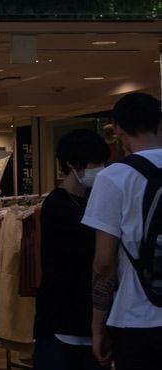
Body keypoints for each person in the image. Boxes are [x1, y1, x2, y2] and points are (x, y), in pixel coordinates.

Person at [82, 92, 162, 369]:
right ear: (159, 122)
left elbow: (104, 263)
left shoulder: (113, 178)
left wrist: (97, 326)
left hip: (137, 317)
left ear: (117, 128)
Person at [33, 128, 109, 369]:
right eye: (95, 162)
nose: (101, 168)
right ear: (71, 164)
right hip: (62, 319)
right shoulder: (57, 205)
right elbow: (93, 254)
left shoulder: (91, 200)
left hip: (87, 318)